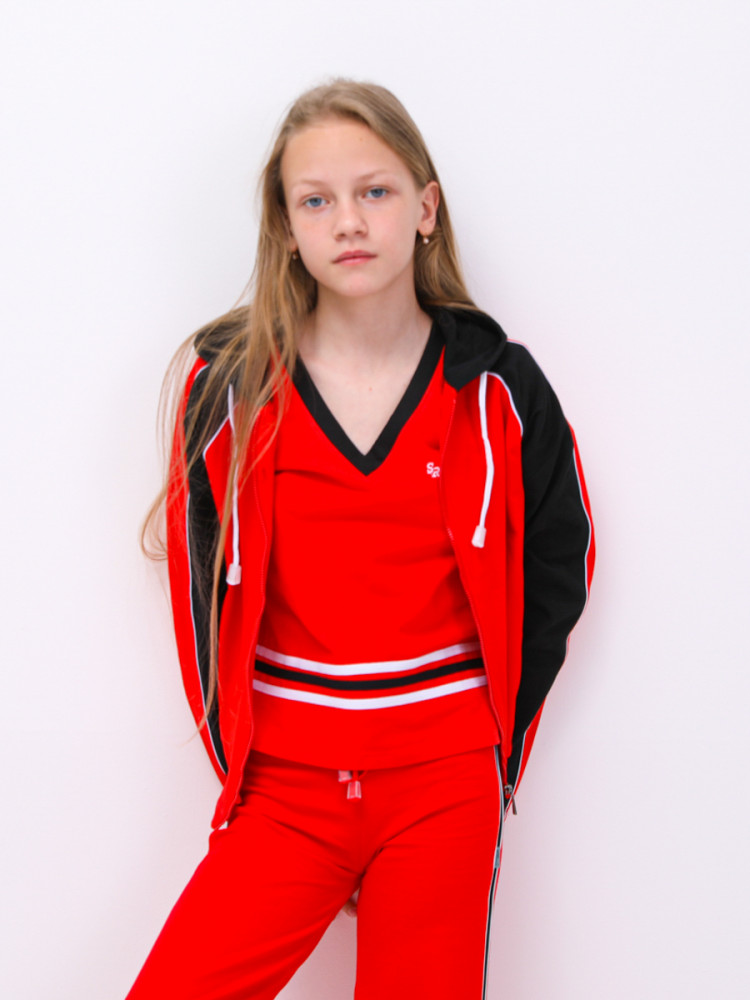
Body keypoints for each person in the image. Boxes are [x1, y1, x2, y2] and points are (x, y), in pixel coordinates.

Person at [127, 79, 595, 1000]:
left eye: (375, 191)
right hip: (285, 791)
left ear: (425, 208)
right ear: (286, 227)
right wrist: (241, 770)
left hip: (443, 789)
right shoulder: (233, 388)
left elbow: (560, 568)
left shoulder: (498, 386)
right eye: (317, 200)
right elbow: (199, 601)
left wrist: (491, 752)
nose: (348, 220)